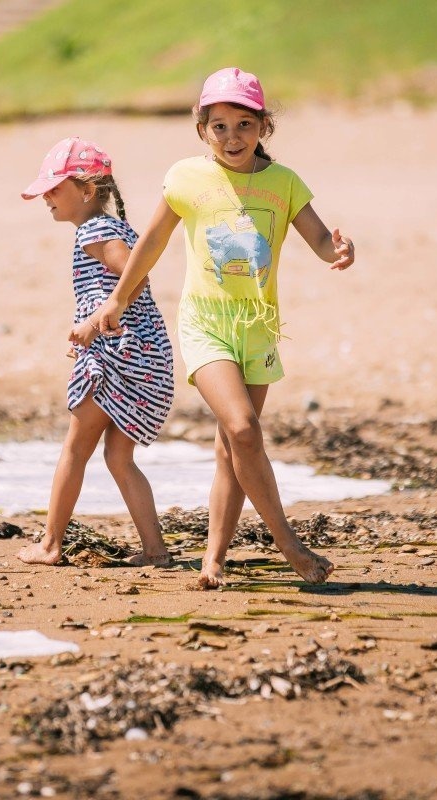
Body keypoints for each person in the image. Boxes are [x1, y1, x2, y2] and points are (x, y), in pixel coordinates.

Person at [91, 68, 354, 588]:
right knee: (242, 428)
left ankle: (214, 559)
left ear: (263, 126)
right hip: (205, 322)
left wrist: (338, 251)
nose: (232, 137)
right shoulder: (186, 178)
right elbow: (150, 243)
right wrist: (117, 299)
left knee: (232, 450)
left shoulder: (284, 183)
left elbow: (319, 238)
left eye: (244, 124)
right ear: (201, 129)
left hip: (258, 325)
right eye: (219, 126)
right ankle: (290, 545)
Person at [16, 137, 175, 568]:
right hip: (145, 358)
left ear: (87, 191)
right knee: (118, 457)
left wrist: (93, 324)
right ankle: (155, 551)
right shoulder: (114, 229)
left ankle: (50, 544)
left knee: (75, 449)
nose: (46, 195)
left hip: (119, 359)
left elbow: (134, 275)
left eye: (55, 187)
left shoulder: (97, 230)